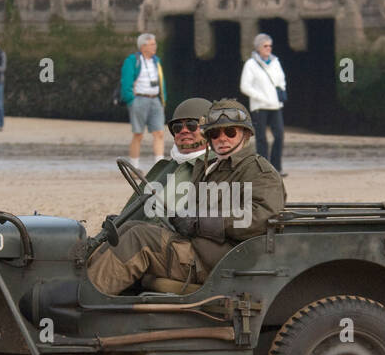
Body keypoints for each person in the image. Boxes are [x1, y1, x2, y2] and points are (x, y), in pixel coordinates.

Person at [86, 99, 284, 295]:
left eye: (230, 132)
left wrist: (200, 223)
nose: (222, 138)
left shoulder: (258, 171)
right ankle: (83, 284)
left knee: (139, 238)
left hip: (222, 259)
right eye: (215, 133)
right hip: (197, 248)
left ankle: (88, 298)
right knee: (132, 227)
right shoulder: (210, 169)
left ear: (246, 134)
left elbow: (261, 218)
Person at [113, 97, 211, 229]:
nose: (184, 130)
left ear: (210, 130)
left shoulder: (214, 167)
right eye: (177, 127)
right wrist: (121, 221)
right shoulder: (167, 166)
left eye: (192, 125)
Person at [239, 32, 287, 175]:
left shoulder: (275, 61)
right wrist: (260, 97)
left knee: (279, 135)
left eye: (270, 46)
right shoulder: (250, 64)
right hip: (259, 106)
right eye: (265, 46)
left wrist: (281, 91)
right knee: (261, 138)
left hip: (275, 105)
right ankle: (263, 168)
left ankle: (276, 167)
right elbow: (245, 86)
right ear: (258, 47)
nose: (268, 48)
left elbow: (281, 80)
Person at [119, 32, 166, 169]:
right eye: (151, 44)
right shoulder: (132, 60)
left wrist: (163, 100)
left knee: (159, 133)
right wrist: (130, 100)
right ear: (143, 46)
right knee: (138, 134)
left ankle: (159, 166)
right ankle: (134, 166)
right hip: (139, 99)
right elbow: (126, 81)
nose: (154, 46)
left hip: (155, 99)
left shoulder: (156, 61)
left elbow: (161, 81)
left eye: (154, 44)